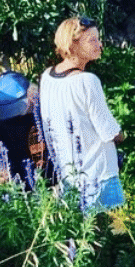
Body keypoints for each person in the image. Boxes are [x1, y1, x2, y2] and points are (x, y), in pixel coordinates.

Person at [39, 16, 126, 212]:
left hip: (69, 174)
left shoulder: (47, 77)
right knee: (110, 235)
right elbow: (108, 131)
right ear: (73, 44)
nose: (100, 44)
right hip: (99, 173)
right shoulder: (87, 81)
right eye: (92, 40)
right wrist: (122, 135)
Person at [0, 71, 52, 189]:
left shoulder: (45, 115)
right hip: (29, 190)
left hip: (40, 187)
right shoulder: (3, 126)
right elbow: (2, 165)